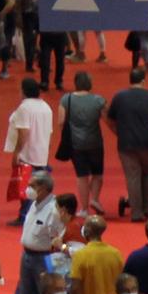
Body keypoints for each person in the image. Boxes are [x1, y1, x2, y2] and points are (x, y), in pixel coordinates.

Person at [105, 66, 148, 224]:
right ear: (143, 81)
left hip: (126, 143)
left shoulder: (120, 97)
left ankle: (136, 212)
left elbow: (110, 118)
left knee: (133, 177)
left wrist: (119, 132)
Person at [11, 172, 65, 294]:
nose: (28, 189)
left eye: (32, 186)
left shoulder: (54, 211)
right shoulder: (34, 204)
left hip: (43, 259)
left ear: (44, 188)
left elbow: (58, 237)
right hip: (27, 256)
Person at [55, 72, 108, 213]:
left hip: (75, 143)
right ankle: (95, 199)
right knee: (97, 174)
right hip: (95, 142)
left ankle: (84, 208)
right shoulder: (98, 100)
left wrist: (65, 134)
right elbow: (107, 119)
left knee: (82, 175)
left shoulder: (67, 99)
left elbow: (61, 121)